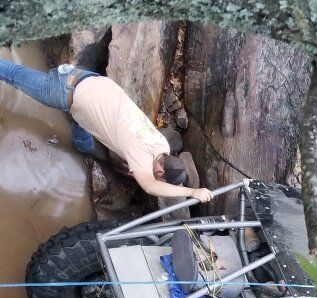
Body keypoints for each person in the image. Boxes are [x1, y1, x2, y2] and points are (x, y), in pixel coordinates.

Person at [0, 59, 214, 202]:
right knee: (13, 75)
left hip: (94, 83)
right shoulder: (139, 153)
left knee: (83, 138)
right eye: (162, 180)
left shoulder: (163, 145)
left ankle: (82, 147)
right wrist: (192, 192)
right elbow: (149, 186)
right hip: (66, 89)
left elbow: (147, 169)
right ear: (159, 173)